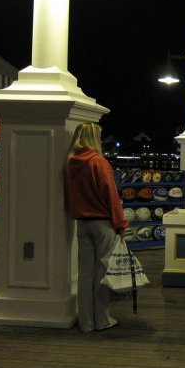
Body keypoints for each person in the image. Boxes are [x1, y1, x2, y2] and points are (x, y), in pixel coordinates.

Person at [64, 122, 128, 332]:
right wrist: (121, 224)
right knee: (103, 273)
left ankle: (86, 322)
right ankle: (102, 319)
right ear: (93, 138)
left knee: (85, 274)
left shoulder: (70, 162)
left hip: (81, 224)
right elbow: (111, 196)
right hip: (102, 224)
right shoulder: (98, 163)